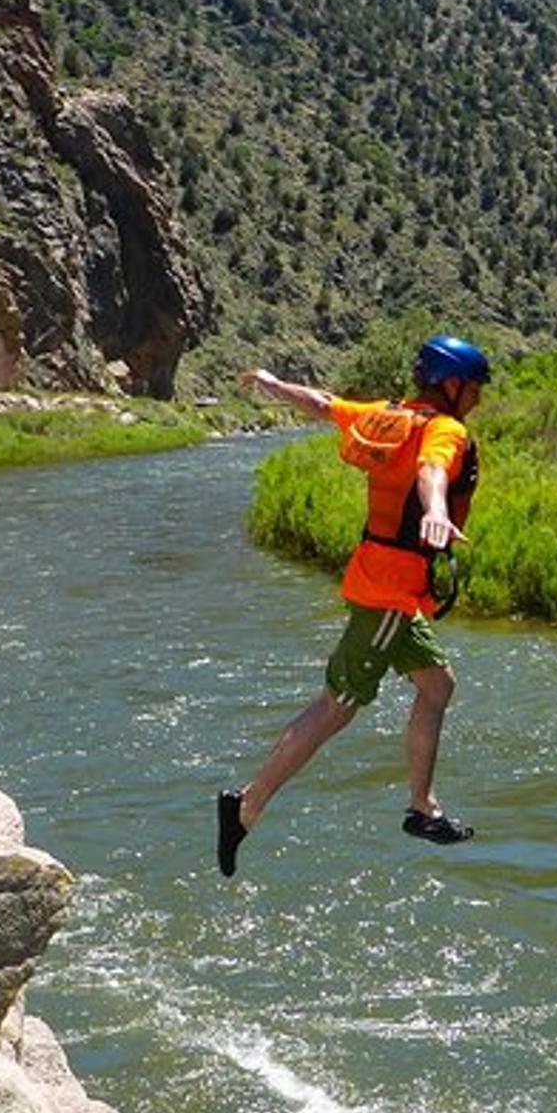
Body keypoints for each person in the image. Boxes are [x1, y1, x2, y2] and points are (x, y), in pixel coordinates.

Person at [217, 334, 490, 877]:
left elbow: (321, 404)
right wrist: (435, 510)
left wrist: (273, 385)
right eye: (475, 387)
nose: (478, 398)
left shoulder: (389, 417)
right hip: (389, 592)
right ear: (453, 386)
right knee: (336, 707)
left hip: (384, 583)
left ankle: (423, 807)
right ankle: (246, 806)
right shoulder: (443, 429)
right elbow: (430, 472)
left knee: (437, 685)